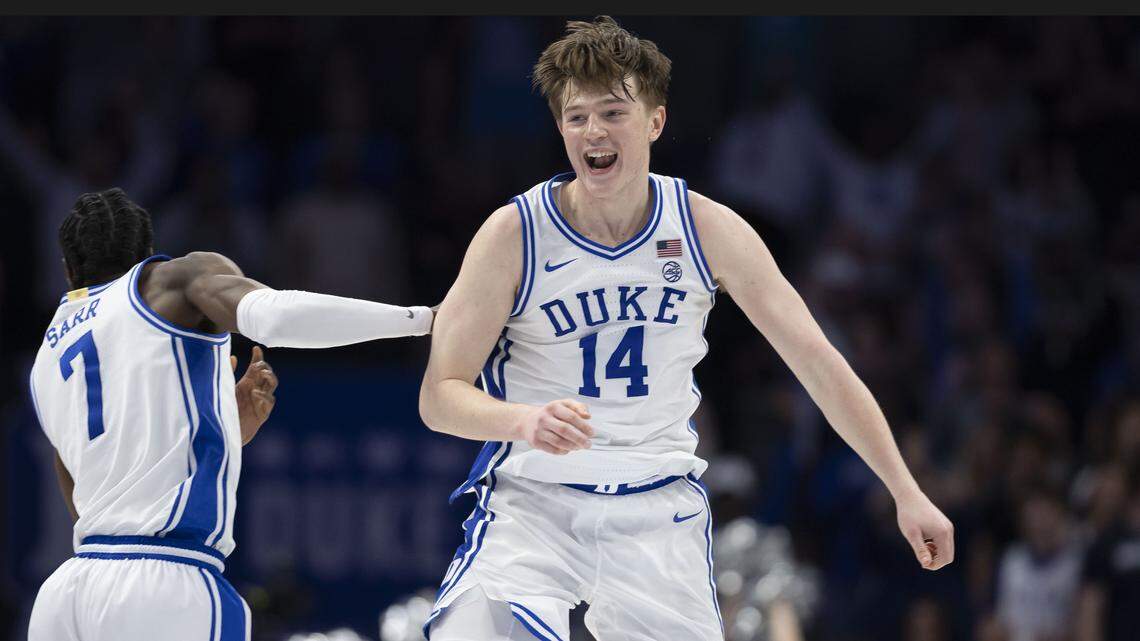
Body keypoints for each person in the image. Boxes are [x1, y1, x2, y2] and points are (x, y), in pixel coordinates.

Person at [419, 16, 954, 641]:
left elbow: (818, 363)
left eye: (613, 112)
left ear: (655, 122)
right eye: (576, 116)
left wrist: (905, 489)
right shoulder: (513, 235)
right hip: (537, 504)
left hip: (655, 511)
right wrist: (522, 421)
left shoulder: (707, 229)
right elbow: (439, 395)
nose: (593, 131)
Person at [27, 188, 434, 641]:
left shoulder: (46, 357)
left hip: (66, 594)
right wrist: (420, 319)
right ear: (146, 257)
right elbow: (274, 317)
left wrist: (220, 427)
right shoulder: (171, 279)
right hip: (163, 585)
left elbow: (85, 494)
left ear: (67, 270)